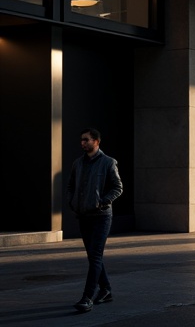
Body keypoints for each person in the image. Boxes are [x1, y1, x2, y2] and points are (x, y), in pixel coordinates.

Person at [65, 127, 123, 313]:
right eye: (81, 140)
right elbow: (71, 186)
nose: (83, 143)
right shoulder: (77, 163)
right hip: (83, 215)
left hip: (101, 216)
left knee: (95, 255)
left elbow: (118, 187)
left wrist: (103, 202)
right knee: (93, 256)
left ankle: (87, 297)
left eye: (86, 140)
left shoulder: (108, 162)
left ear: (96, 142)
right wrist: (72, 202)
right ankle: (106, 290)